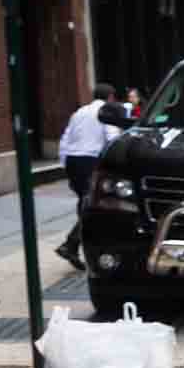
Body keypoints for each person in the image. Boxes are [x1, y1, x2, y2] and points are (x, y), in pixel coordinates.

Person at [54, 84, 123, 267]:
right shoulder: (106, 111)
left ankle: (77, 246)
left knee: (83, 203)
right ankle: (71, 244)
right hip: (90, 161)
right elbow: (112, 137)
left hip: (73, 160)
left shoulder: (79, 112)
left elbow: (65, 138)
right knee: (92, 205)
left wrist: (65, 164)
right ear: (110, 97)